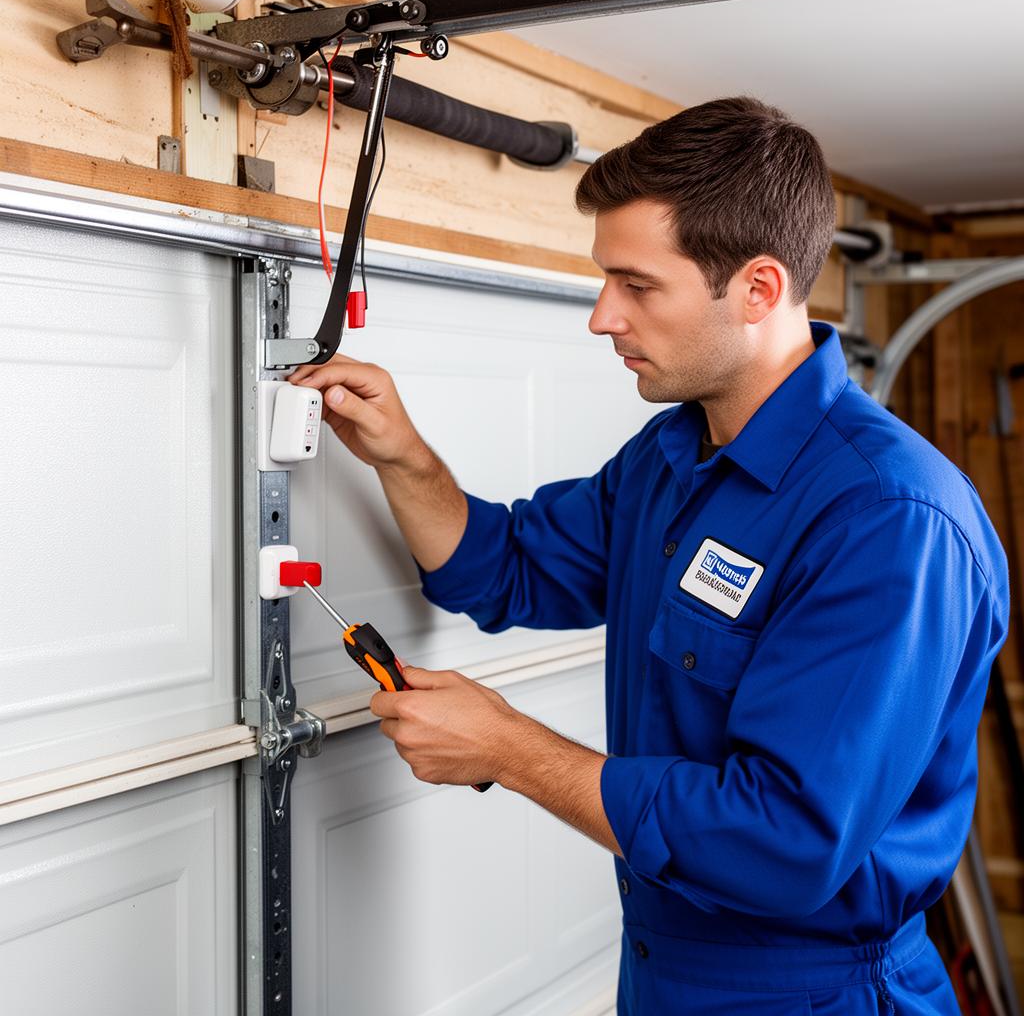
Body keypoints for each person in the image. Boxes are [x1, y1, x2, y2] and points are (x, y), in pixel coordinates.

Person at [289, 97, 1008, 1015]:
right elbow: (505, 568)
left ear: (756, 288)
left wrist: (510, 749)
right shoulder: (672, 459)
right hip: (664, 971)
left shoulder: (888, 519)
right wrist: (402, 454)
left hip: (814, 995)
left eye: (637, 285)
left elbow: (783, 842)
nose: (601, 317)